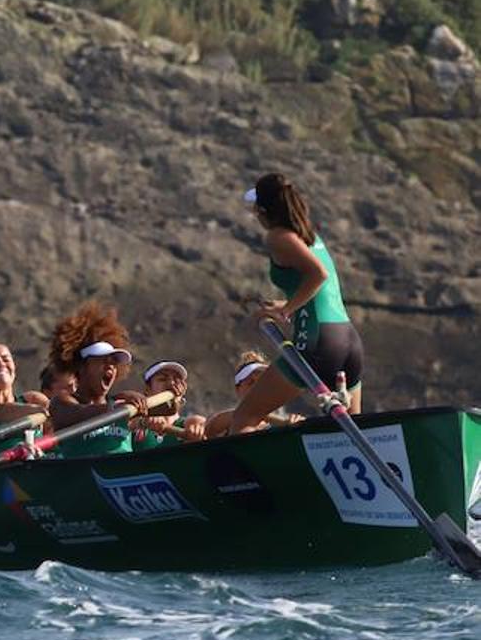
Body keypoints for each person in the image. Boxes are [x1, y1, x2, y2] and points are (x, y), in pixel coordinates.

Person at [230, 173, 363, 434]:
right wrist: (284, 303)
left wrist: (286, 310)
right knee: (353, 430)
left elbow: (318, 275)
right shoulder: (311, 237)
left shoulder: (278, 237)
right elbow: (322, 293)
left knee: (245, 416)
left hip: (318, 340)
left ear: (262, 211)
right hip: (349, 340)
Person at [46, 302, 150, 457]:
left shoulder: (120, 404)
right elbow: (79, 413)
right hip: (83, 470)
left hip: (123, 469)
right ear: (81, 366)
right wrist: (117, 408)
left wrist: (147, 402)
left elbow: (167, 410)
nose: (110, 367)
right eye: (103, 361)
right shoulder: (61, 402)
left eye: (114, 362)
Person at [204, 351, 306, 438]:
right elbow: (211, 428)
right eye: (251, 383)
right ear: (238, 389)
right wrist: (282, 422)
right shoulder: (228, 420)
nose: (257, 388)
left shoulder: (281, 426)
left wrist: (299, 425)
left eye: (262, 383)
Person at [133, 361, 206, 448]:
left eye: (177, 380)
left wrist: (199, 428)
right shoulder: (133, 421)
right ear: (147, 389)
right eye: (163, 379)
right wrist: (143, 420)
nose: (171, 383)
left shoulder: (190, 424)